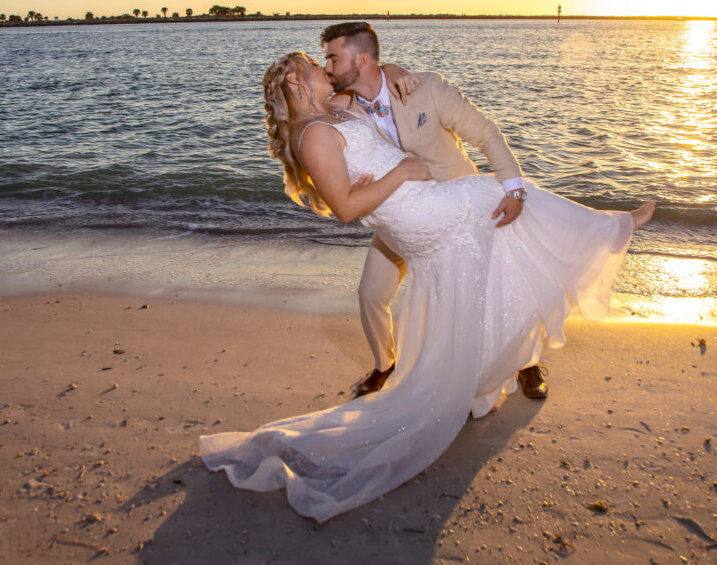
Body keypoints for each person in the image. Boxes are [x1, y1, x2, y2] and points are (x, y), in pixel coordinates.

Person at [199, 51, 655, 523]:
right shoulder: (313, 135)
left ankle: (497, 360)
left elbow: (370, 83)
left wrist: (393, 72)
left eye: (326, 60)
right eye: (316, 66)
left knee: (497, 251)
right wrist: (400, 173)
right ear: (296, 82)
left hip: (419, 205)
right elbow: (346, 209)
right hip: (419, 211)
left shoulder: (329, 110)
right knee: (503, 199)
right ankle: (613, 230)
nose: (325, 69)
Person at [320, 22, 547, 399]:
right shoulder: (343, 105)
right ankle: (385, 365)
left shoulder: (424, 87)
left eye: (333, 57)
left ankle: (528, 362)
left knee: (496, 286)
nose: (327, 67)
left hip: (459, 208)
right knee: (371, 294)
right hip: (401, 216)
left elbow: (485, 134)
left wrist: (514, 189)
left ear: (361, 59)